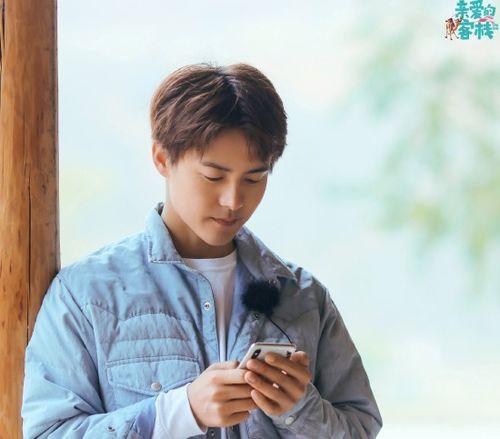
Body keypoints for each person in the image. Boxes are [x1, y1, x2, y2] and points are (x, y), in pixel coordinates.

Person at [21, 62, 383, 438]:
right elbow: (47, 433)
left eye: (254, 178)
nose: (233, 200)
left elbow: (360, 428)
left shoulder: (303, 296)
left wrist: (299, 409)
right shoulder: (86, 293)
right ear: (162, 159)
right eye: (213, 176)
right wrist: (181, 411)